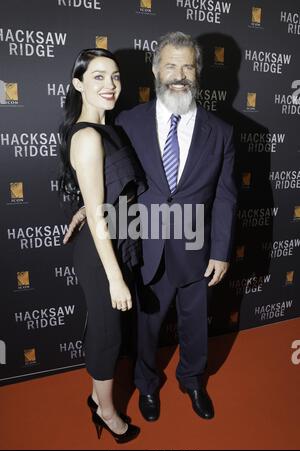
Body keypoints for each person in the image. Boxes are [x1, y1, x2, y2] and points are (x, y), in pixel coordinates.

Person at [64, 32, 237, 422]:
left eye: (188, 66)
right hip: (146, 244)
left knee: (196, 324)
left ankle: (193, 380)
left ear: (198, 73)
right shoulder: (127, 121)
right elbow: (110, 176)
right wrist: (83, 208)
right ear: (157, 70)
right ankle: (146, 385)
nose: (179, 74)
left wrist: (222, 250)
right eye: (171, 65)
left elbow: (226, 195)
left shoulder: (222, 131)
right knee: (146, 327)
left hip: (197, 247)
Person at [59, 48, 145, 443]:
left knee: (110, 331)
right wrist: (115, 279)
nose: (110, 85)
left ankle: (98, 397)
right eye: (97, 77)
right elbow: (98, 217)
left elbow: (101, 194)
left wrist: (84, 207)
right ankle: (106, 411)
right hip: (101, 254)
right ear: (78, 83)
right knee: (108, 336)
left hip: (116, 241)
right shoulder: (89, 135)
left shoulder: (107, 128)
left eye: (114, 76)